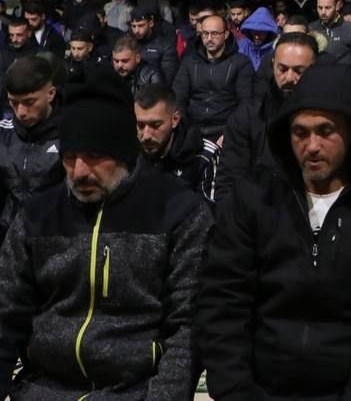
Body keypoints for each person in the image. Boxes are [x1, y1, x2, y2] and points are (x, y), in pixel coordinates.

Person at [197, 64, 351, 399]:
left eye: (325, 131)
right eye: (300, 133)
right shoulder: (253, 197)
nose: (312, 145)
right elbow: (222, 303)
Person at [0, 78, 212, 399]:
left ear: (123, 152)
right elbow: (5, 314)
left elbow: (188, 328)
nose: (80, 171)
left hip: (136, 391)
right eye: (70, 157)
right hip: (42, 388)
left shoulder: (179, 211)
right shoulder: (37, 215)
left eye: (94, 156)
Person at [215, 31, 318, 198]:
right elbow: (229, 185)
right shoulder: (247, 117)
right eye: (282, 69)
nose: (289, 77)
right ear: (273, 64)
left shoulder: (329, 117)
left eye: (299, 70)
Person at [0, 56, 63, 238]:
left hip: (55, 238)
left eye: (29, 102)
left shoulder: (71, 134)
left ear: (50, 94)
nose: (21, 112)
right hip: (8, 237)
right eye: (13, 102)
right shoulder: (3, 134)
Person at [172, 11, 255, 140]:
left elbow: (245, 103)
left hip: (226, 131)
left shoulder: (241, 63)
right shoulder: (189, 61)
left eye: (214, 33)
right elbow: (179, 98)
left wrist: (231, 133)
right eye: (205, 34)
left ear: (226, 34)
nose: (209, 39)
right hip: (191, 129)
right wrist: (183, 129)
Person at [136, 82, 218, 201]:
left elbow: (208, 215)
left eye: (156, 125)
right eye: (140, 125)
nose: (146, 135)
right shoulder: (129, 152)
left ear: (175, 120)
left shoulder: (204, 156)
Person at [309, 0, 351, 81]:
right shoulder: (311, 28)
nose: (323, 12)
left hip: (344, 84)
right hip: (316, 82)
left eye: (328, 7)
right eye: (320, 7)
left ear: (336, 6)